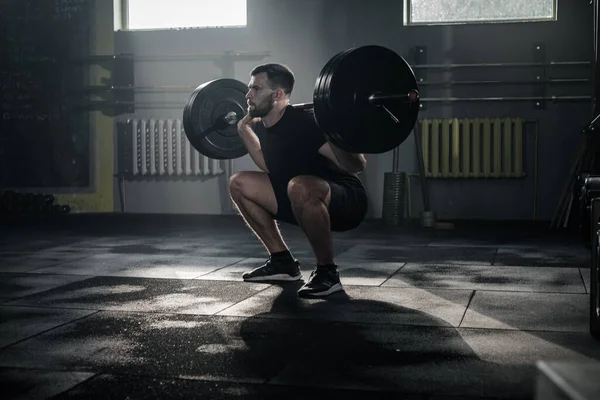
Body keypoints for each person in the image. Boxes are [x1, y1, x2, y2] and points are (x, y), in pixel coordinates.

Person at [228, 63, 368, 298]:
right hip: (297, 196)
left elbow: (356, 165)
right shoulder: (262, 124)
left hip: (345, 200)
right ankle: (283, 262)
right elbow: (269, 165)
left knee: (299, 186)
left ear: (278, 94)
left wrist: (333, 130)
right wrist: (244, 130)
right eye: (249, 88)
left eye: (255, 88)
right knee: (238, 182)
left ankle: (327, 272)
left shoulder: (306, 122)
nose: (248, 94)